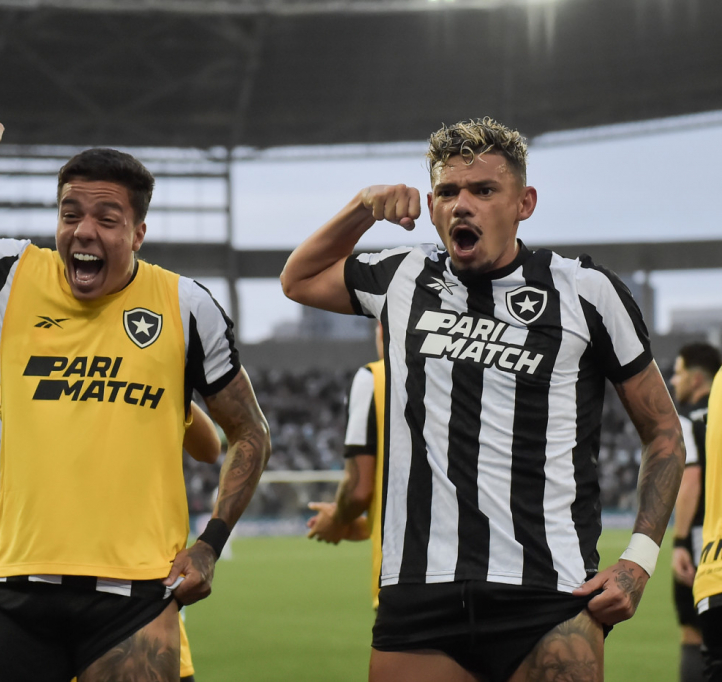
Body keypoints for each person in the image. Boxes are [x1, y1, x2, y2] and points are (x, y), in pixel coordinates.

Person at [0, 105, 270, 682]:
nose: (83, 231)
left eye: (107, 218)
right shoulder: (11, 276)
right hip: (14, 589)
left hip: (132, 596)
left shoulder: (187, 307)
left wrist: (211, 544)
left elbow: (248, 433)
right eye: (70, 214)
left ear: (138, 234)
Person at [281, 117, 684, 682]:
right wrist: (361, 207)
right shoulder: (404, 275)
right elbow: (297, 280)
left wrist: (638, 561)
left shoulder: (585, 291)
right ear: (431, 205)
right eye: (448, 192)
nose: (462, 205)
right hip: (418, 594)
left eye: (484, 190)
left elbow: (664, 432)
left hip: (548, 595)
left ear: (524, 203)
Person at [0, 395, 220, 682]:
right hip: (36, 618)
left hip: (137, 623)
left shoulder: (145, 380)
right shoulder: (9, 395)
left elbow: (210, 448)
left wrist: (168, 382)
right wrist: (1, 600)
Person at [306, 321, 386, 609]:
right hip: (501, 574)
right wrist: (366, 527)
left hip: (410, 581)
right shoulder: (486, 374)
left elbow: (359, 492)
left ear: (383, 328)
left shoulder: (375, 377)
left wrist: (338, 519)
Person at [670, 344, 721, 682]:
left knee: (693, 631)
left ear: (697, 378)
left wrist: (679, 541)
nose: (673, 381)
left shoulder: (687, 419)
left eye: (679, 373)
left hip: (707, 540)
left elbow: (691, 477)